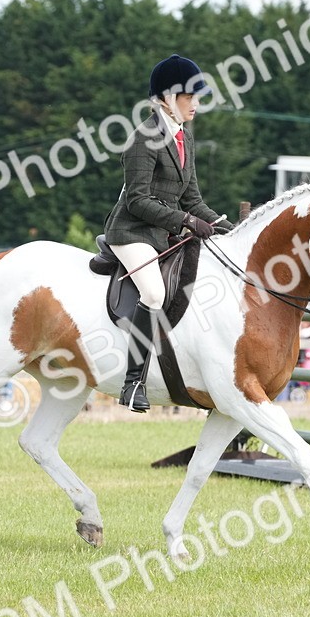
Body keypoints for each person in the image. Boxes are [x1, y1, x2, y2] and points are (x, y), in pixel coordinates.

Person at [103, 54, 233, 412]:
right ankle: (133, 383)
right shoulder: (143, 138)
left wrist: (227, 229)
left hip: (162, 234)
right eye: (190, 96)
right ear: (166, 97)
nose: (196, 104)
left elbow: (193, 200)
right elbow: (137, 201)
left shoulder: (184, 137)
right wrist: (186, 221)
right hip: (131, 232)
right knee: (154, 292)